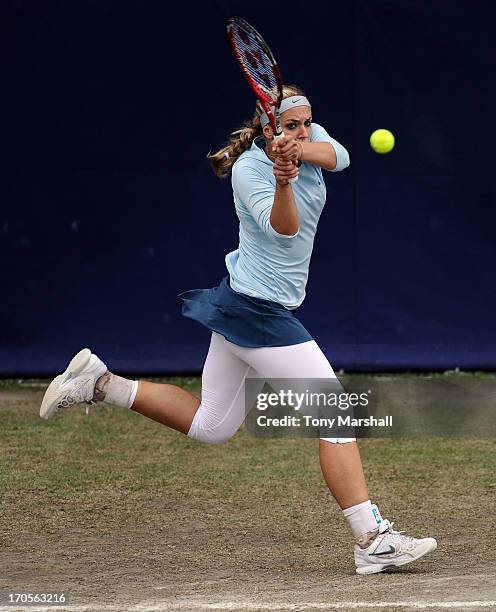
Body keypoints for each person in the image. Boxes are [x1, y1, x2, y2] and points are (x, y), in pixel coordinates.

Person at [40, 85, 437, 575]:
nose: (302, 130)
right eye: (291, 126)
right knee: (336, 413)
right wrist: (285, 179)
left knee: (213, 425)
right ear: (269, 127)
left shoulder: (309, 140)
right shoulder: (250, 170)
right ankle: (371, 540)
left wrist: (298, 150)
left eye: (306, 122)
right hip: (255, 309)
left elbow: (342, 156)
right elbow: (284, 230)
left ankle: (99, 383)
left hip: (245, 304)